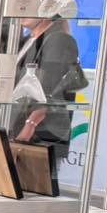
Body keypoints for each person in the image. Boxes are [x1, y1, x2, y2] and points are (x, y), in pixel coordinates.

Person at [11, 12, 83, 152]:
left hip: (39, 131)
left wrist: (29, 126)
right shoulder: (28, 39)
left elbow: (48, 92)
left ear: (48, 10)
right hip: (18, 124)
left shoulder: (58, 40)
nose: (24, 11)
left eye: (32, 6)